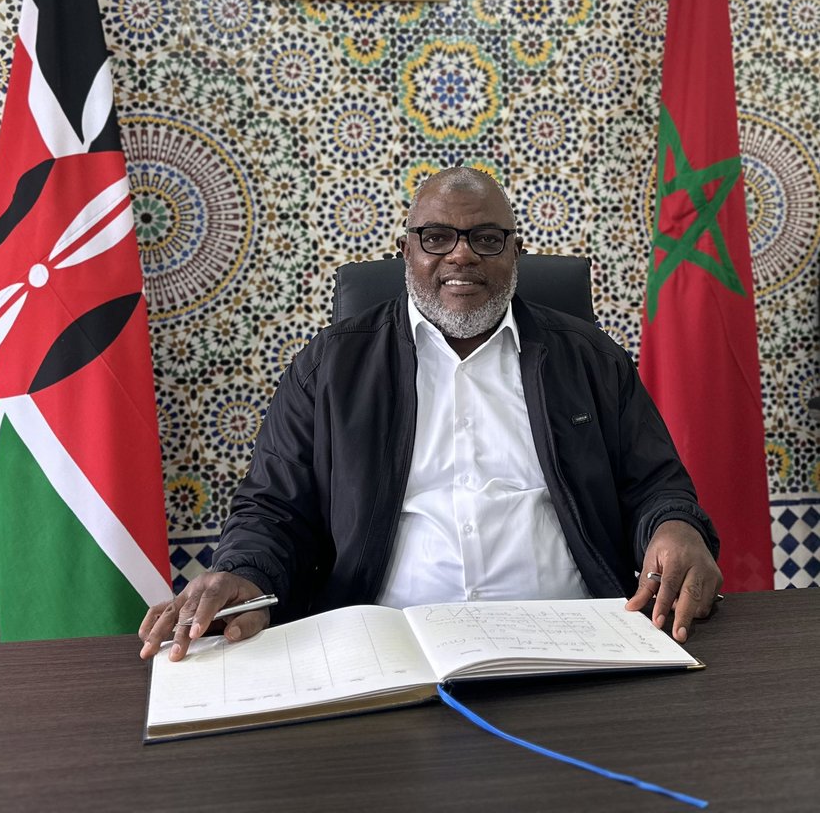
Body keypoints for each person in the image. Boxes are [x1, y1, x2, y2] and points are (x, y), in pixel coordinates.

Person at [140, 168, 722, 663]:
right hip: (387, 649)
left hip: (576, 639)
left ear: (516, 252)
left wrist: (677, 528)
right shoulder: (330, 368)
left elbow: (657, 487)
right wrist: (244, 572)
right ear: (407, 253)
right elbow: (272, 507)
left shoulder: (591, 360)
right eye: (437, 236)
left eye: (487, 238)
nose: (462, 254)